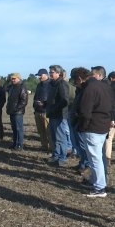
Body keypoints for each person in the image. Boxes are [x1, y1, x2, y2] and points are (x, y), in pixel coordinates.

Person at [78, 66, 113, 197]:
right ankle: (96, 181)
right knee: (100, 157)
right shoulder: (106, 87)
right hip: (103, 126)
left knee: (95, 158)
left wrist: (84, 126)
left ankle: (99, 188)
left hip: (93, 127)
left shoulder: (90, 88)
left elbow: (85, 110)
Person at [46, 65, 70, 166]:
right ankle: (55, 155)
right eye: (50, 72)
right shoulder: (51, 84)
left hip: (59, 115)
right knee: (54, 137)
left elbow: (64, 101)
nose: (50, 74)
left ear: (58, 73)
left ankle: (62, 158)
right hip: (52, 114)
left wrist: (54, 108)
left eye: (52, 72)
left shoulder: (62, 84)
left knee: (61, 138)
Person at [6, 73, 28, 151]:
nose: (13, 80)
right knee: (14, 128)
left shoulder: (22, 87)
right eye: (12, 78)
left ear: (19, 78)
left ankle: (19, 144)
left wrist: (16, 109)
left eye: (14, 78)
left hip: (18, 112)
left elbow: (24, 101)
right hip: (12, 111)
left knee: (19, 129)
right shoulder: (11, 87)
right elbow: (5, 88)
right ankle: (15, 143)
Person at [33, 68, 52, 152]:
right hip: (37, 111)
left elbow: (52, 98)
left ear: (46, 75)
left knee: (49, 132)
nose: (39, 77)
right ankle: (44, 147)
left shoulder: (51, 84)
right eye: (38, 75)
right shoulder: (39, 85)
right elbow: (35, 96)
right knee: (41, 131)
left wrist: (45, 104)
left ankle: (52, 148)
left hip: (46, 112)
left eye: (41, 75)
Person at [103, 71, 115, 167]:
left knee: (109, 138)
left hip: (112, 117)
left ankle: (107, 159)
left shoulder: (111, 88)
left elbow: (112, 105)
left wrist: (112, 119)